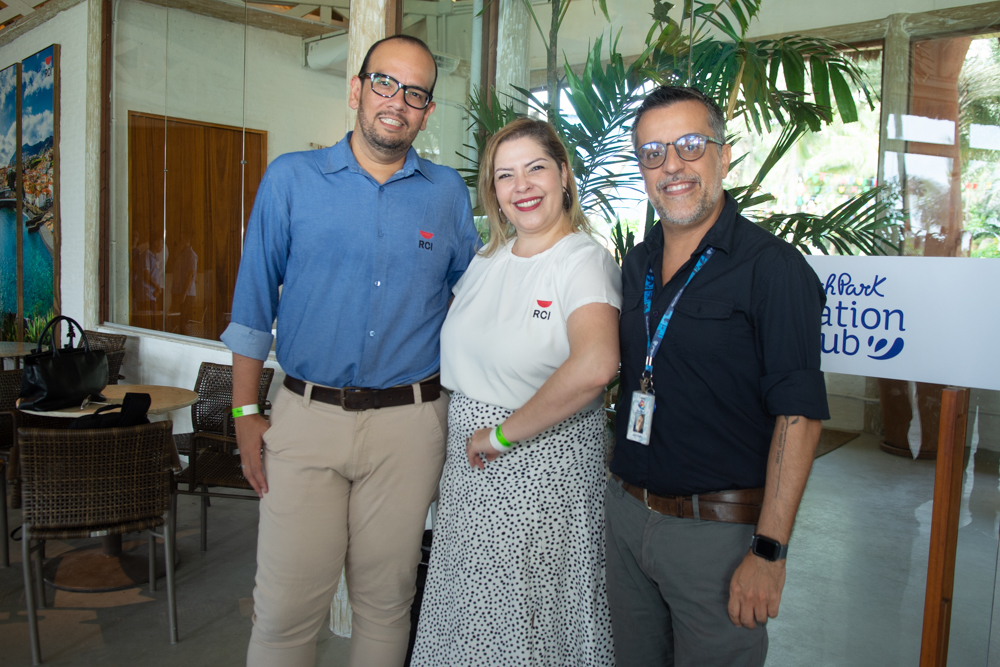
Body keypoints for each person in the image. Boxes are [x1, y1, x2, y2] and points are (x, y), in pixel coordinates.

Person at [220, 35, 481, 667]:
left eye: (415, 93)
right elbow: (253, 305)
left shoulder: (446, 195)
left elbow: (476, 305)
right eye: (385, 84)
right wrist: (244, 414)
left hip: (409, 425)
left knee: (387, 603)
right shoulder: (291, 179)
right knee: (283, 611)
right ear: (357, 89)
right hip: (306, 420)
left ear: (426, 110)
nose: (398, 102)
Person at [606, 85, 830, 666]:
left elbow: (800, 417)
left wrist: (769, 550)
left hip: (718, 537)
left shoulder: (774, 270)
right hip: (628, 519)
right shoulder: (637, 263)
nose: (672, 165)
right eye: (653, 152)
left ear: (723, 155)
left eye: (689, 145)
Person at [410, 118, 621, 667]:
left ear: (564, 175)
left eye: (535, 169)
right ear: (493, 192)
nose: (521, 186)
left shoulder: (583, 260)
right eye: (506, 175)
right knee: (469, 615)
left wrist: (502, 434)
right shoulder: (486, 261)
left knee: (527, 627)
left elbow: (596, 365)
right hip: (470, 478)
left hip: (539, 472)